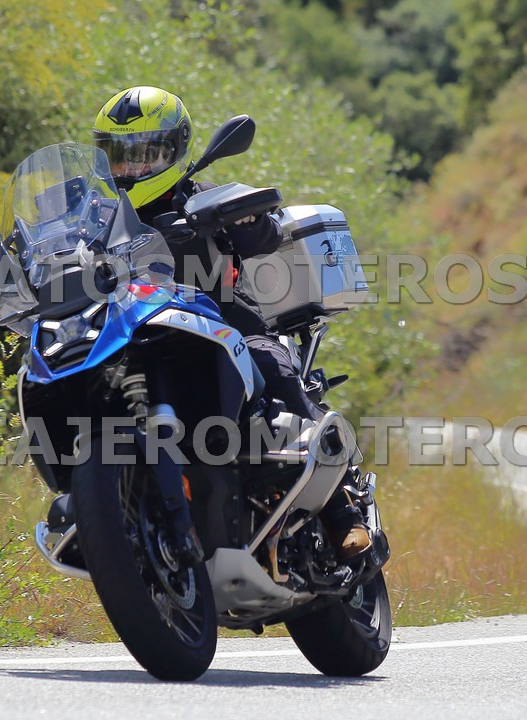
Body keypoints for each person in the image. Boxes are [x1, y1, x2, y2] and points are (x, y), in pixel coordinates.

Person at [91, 86, 370, 560]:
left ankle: (342, 508)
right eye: (119, 156)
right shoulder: (101, 220)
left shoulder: (202, 199)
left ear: (175, 151)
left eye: (143, 155)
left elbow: (267, 235)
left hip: (226, 325)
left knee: (274, 366)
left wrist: (244, 220)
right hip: (135, 336)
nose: (131, 169)